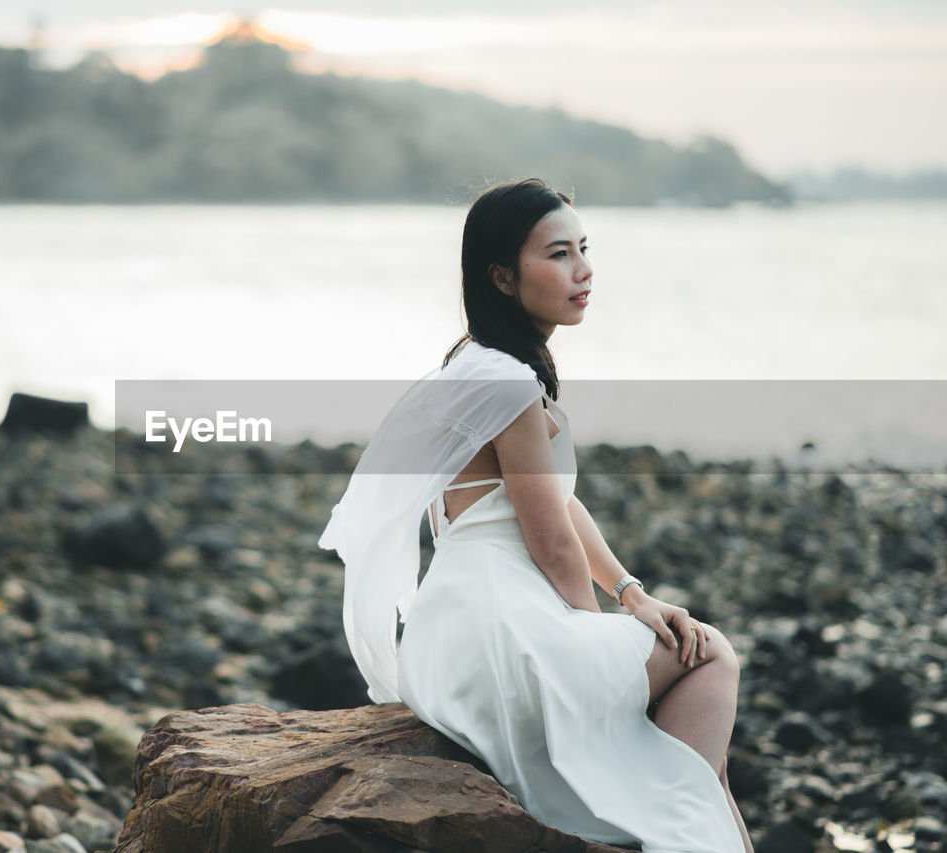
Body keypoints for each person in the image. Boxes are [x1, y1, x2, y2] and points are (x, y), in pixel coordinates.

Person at [318, 179, 753, 853]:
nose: (582, 270)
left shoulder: (475, 362)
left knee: (688, 748)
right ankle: (681, 826)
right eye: (558, 254)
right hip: (505, 644)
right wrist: (591, 641)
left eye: (584, 249)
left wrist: (631, 593)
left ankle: (678, 813)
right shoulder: (510, 384)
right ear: (501, 276)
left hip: (455, 639)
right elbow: (550, 543)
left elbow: (556, 502)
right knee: (711, 654)